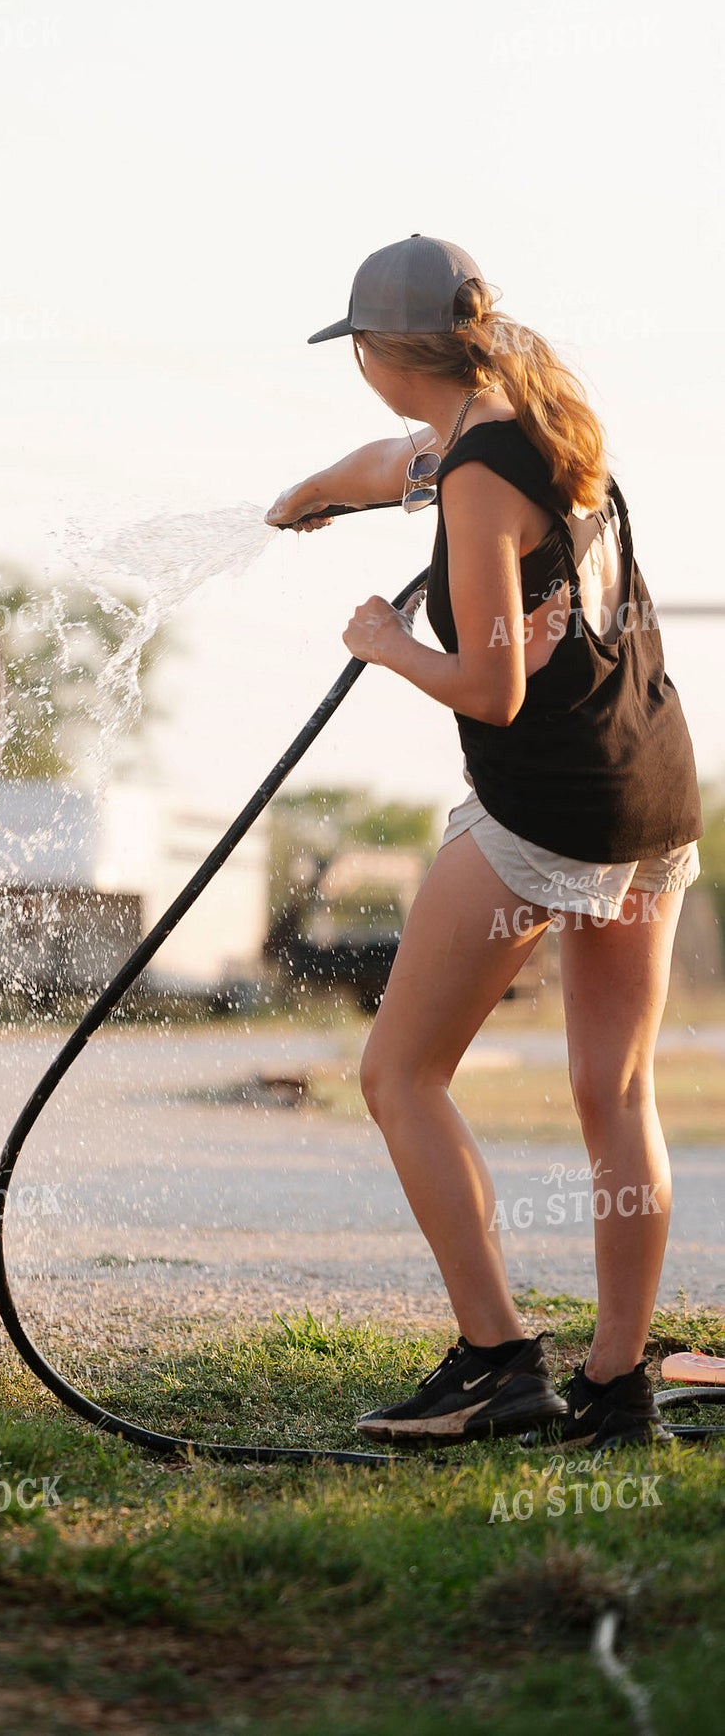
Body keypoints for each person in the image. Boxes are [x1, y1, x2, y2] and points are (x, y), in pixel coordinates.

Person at [268, 234, 701, 1448]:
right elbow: (392, 465)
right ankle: (616, 1387)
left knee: (398, 1076)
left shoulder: (472, 475)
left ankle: (499, 1362)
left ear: (381, 353)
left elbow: (493, 690)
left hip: (548, 809)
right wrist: (306, 499)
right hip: (652, 795)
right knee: (615, 1092)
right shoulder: (537, 423)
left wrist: (384, 644)